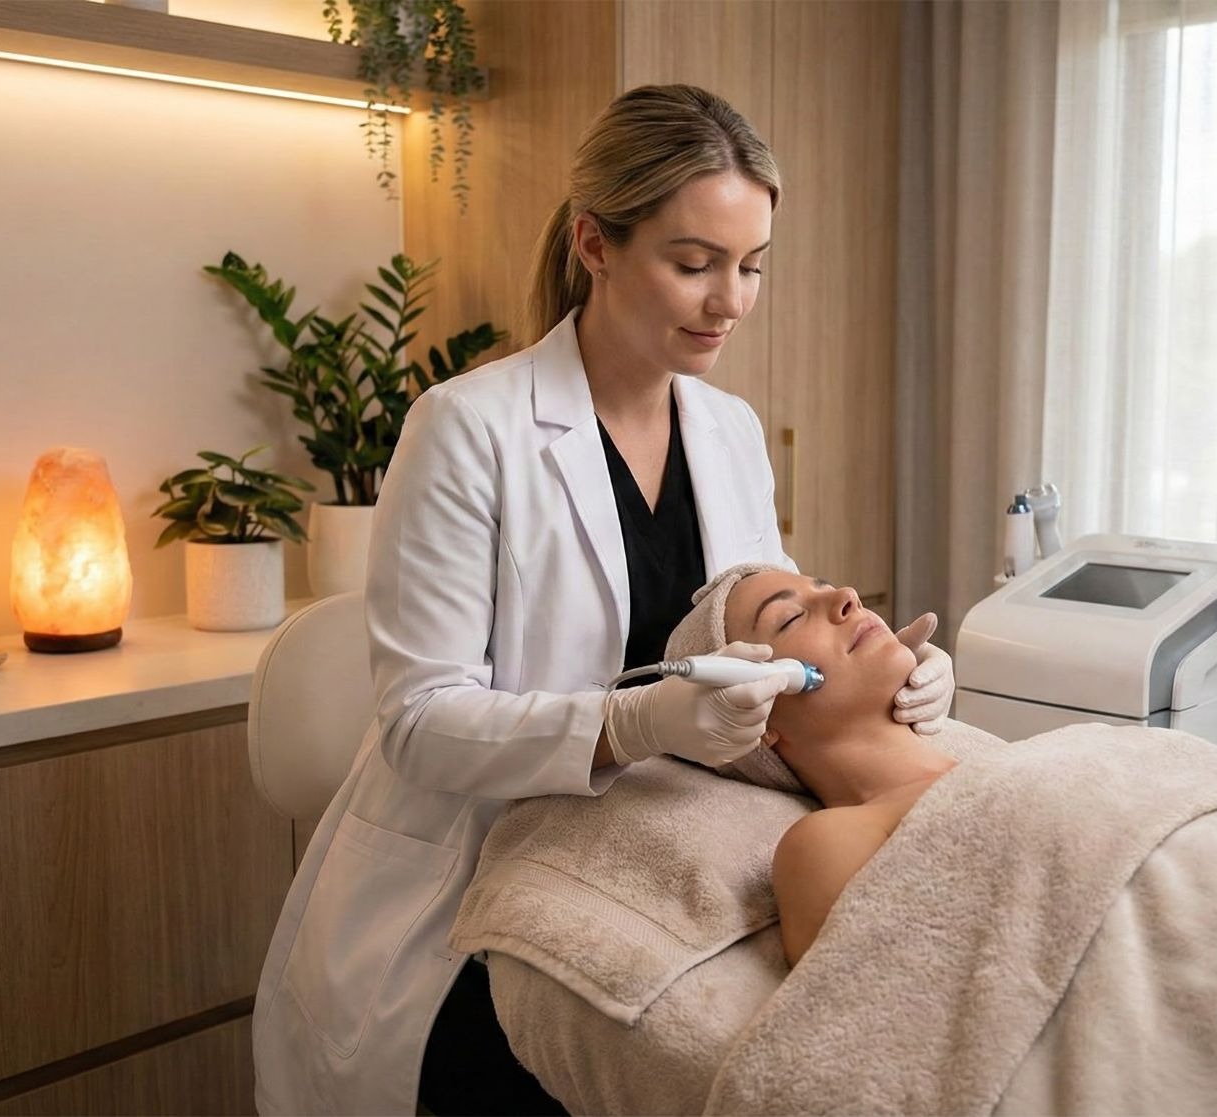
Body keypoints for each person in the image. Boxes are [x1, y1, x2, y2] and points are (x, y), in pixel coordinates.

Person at [250, 86, 955, 1116]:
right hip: (480, 892)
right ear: (595, 244)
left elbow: (770, 639)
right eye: (694, 263)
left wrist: (898, 679)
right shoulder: (467, 429)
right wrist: (633, 723)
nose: (730, 301)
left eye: (751, 265)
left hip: (670, 863)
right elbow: (419, 723)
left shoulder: (728, 430)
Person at [662, 563, 961, 967]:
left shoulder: (1000, 764)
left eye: (828, 587)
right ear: (755, 717)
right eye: (790, 618)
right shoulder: (830, 843)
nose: (848, 595)